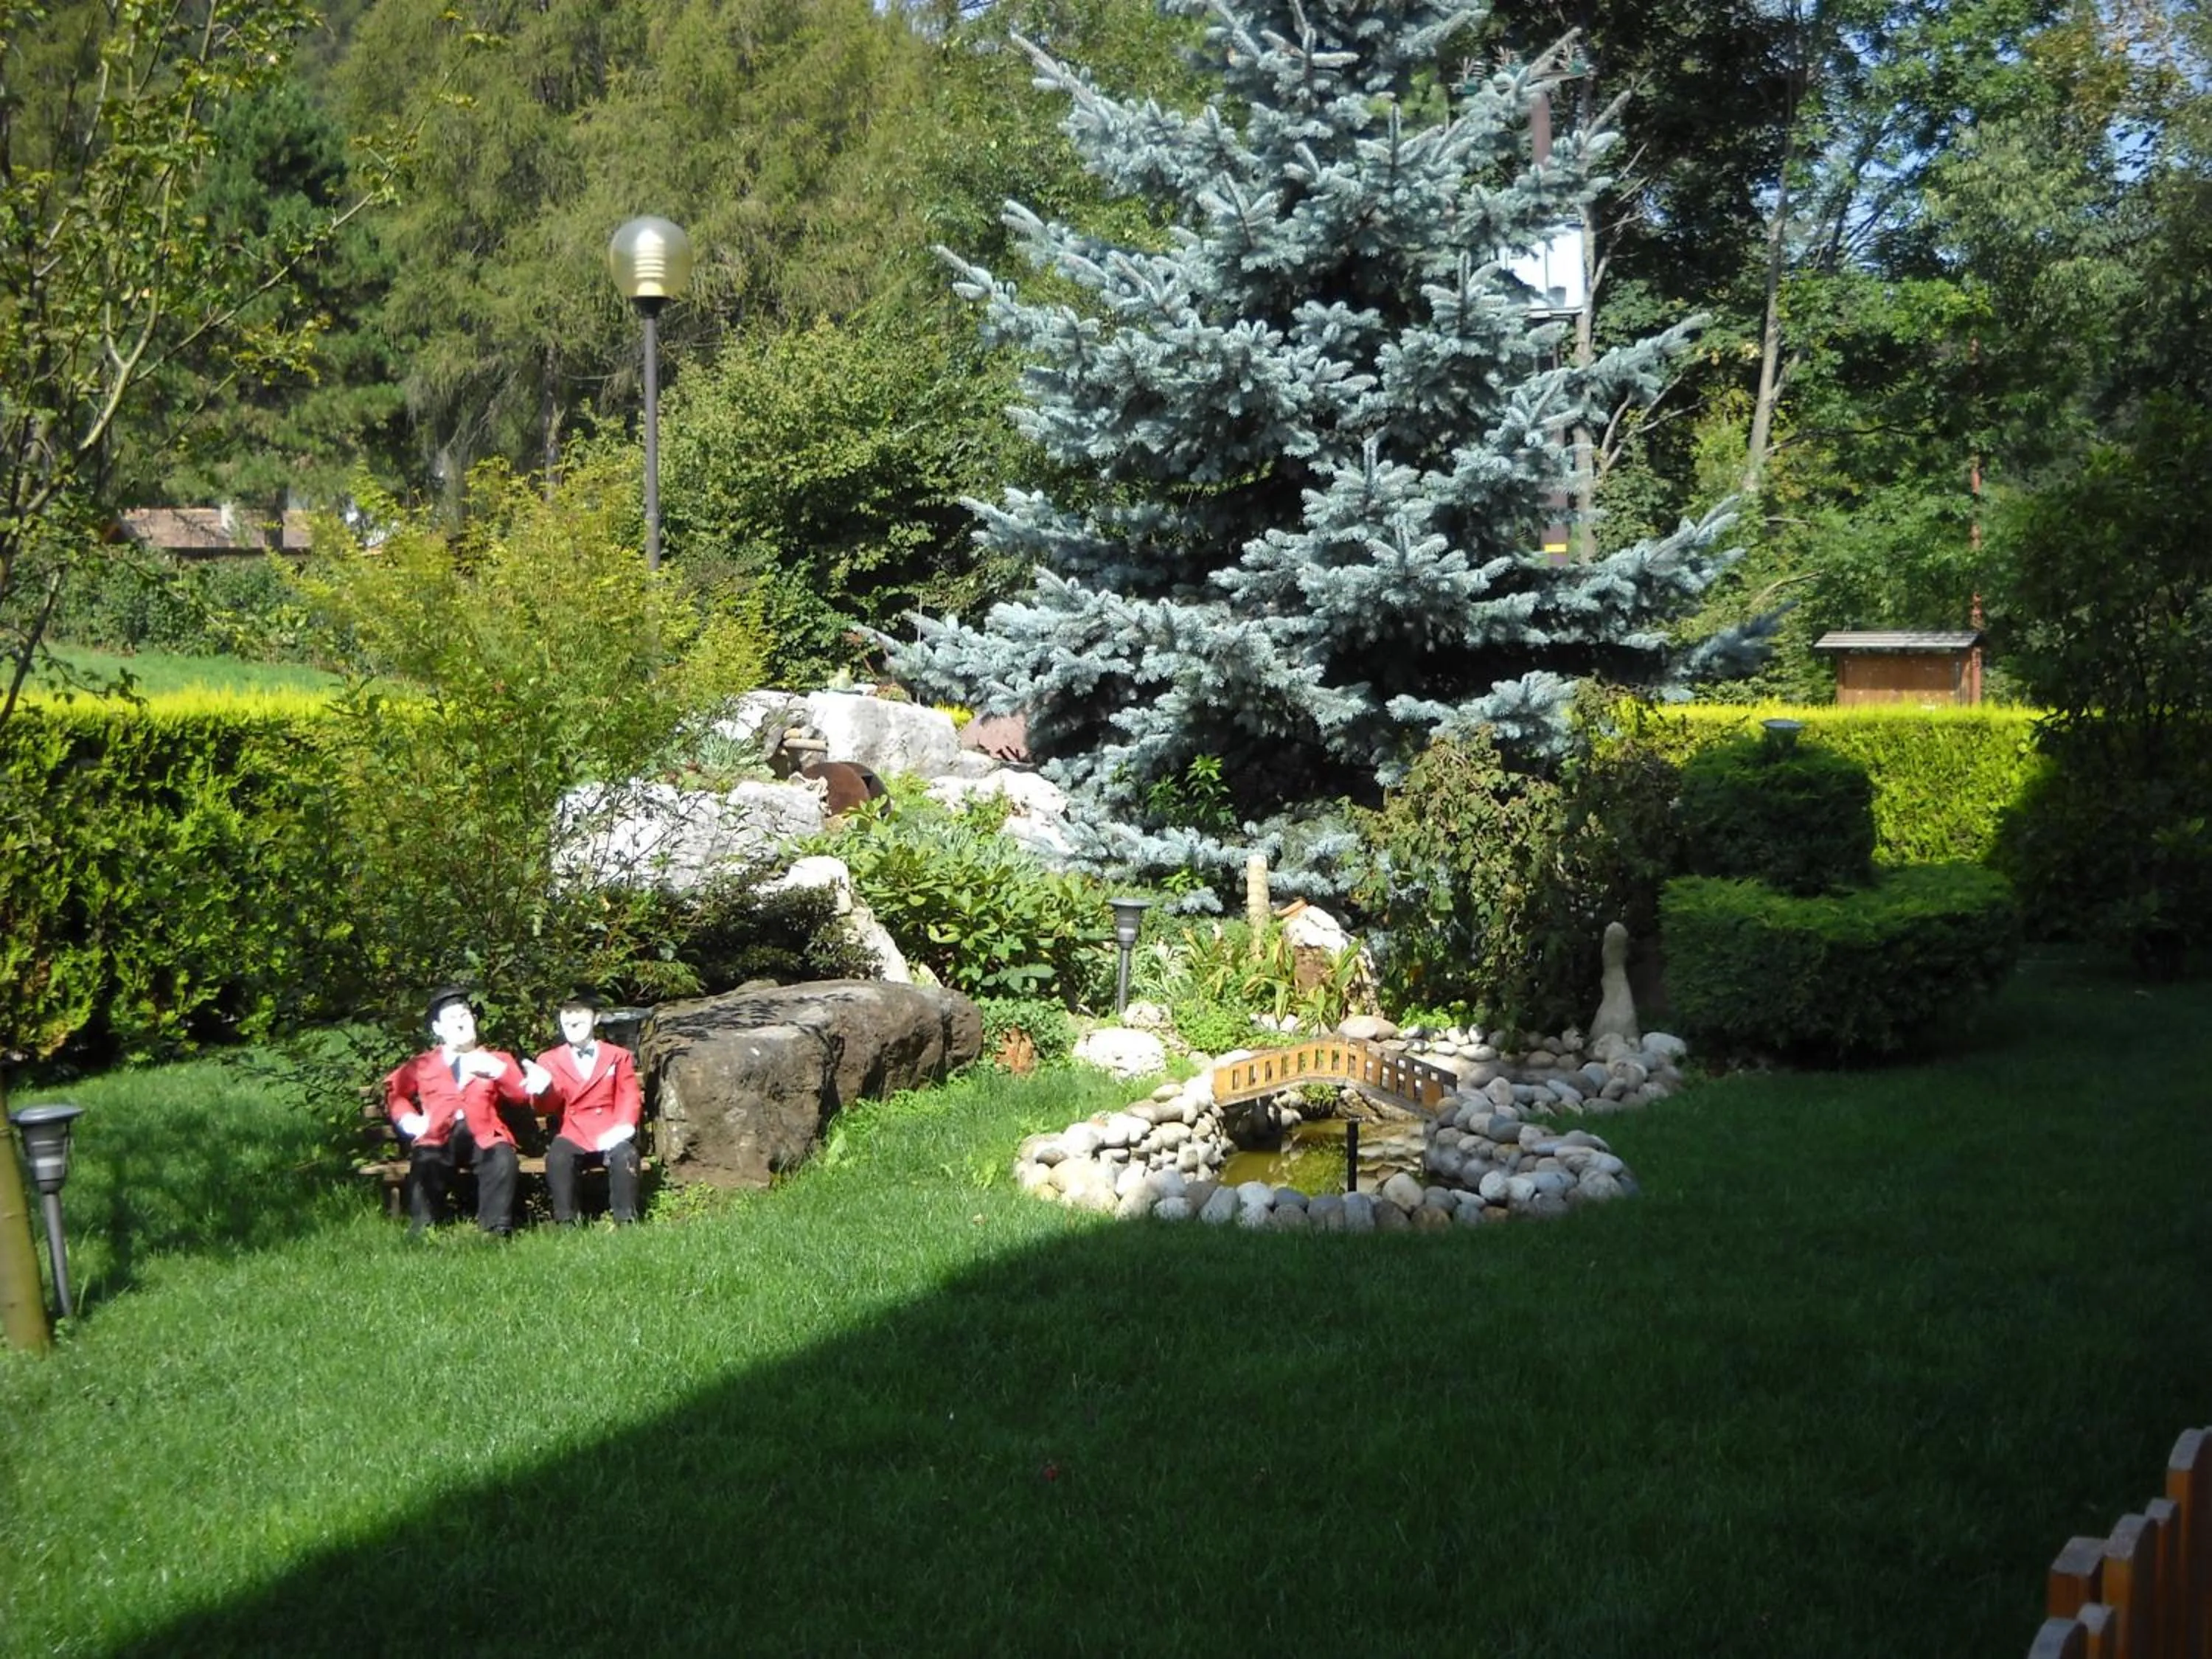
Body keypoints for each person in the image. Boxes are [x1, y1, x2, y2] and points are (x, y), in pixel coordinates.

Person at [384, 986, 549, 1236]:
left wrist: (500, 1072)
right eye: (452, 1018)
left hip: (483, 1134)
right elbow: (395, 1092)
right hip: (438, 1135)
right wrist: (409, 1120)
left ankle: (496, 1227)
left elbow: (519, 1096)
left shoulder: (498, 1058)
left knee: (502, 1159)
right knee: (426, 1160)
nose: (460, 1024)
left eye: (464, 1016)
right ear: (438, 1029)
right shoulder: (422, 1064)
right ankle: (424, 1228)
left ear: (474, 1021)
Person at [532, 992, 644, 1225]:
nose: (572, 1021)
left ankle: (626, 1219)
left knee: (626, 1155)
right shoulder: (549, 1060)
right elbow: (546, 1107)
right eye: (566, 1014)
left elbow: (629, 1095)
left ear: (595, 1019)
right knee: (558, 1157)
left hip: (610, 1129)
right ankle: (567, 1221)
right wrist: (543, 1090)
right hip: (573, 1131)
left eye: (579, 1013)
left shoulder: (617, 1056)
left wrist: (624, 1126)